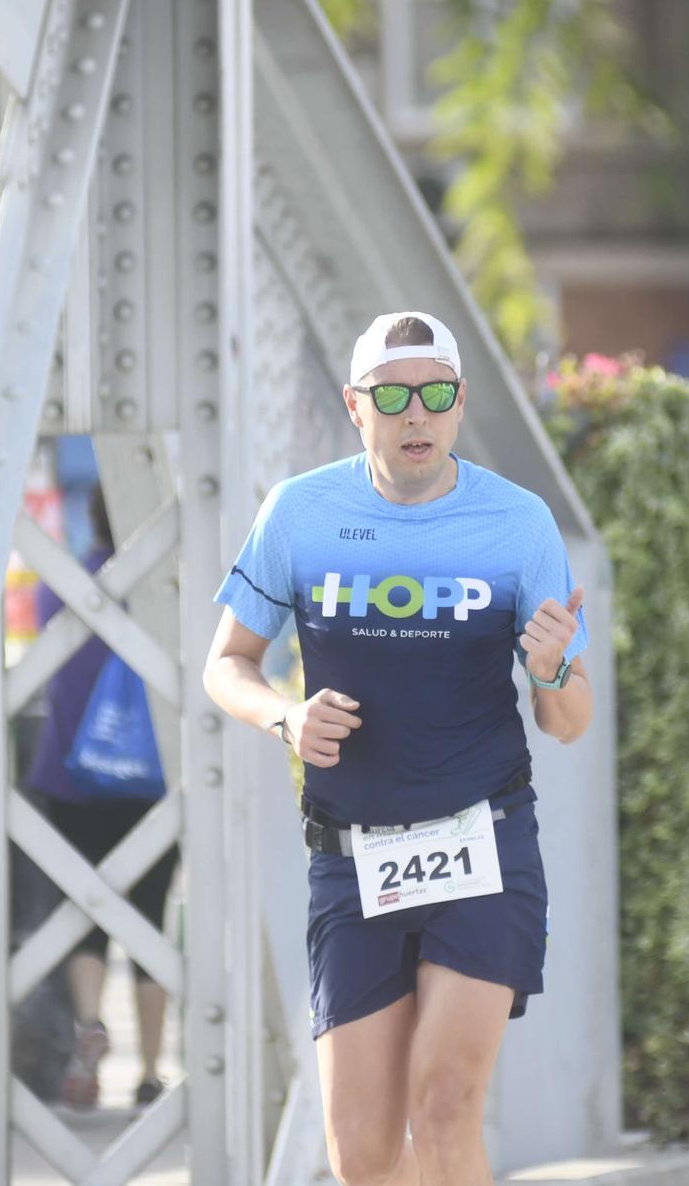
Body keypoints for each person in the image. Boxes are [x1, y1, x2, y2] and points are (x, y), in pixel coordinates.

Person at [202, 311, 592, 1186]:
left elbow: (569, 720)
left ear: (460, 404)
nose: (417, 414)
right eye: (393, 396)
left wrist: (554, 665)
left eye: (437, 394)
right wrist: (285, 717)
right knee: (365, 1156)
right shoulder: (300, 513)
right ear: (355, 405)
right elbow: (226, 664)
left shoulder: (517, 524)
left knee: (446, 1103)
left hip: (483, 841)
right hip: (353, 853)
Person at [24, 486, 180, 1110]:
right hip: (153, 784)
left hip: (72, 778)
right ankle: (148, 1072)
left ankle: (90, 1022)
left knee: (83, 912)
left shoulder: (60, 582)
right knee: (149, 920)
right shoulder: (169, 589)